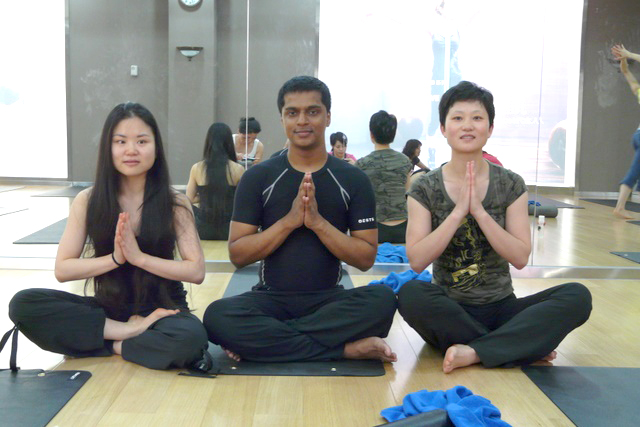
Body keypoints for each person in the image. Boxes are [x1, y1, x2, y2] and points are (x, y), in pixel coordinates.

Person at [397, 81, 592, 373]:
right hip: (450, 309)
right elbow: (416, 260)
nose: (467, 125)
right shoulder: (424, 187)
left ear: (489, 128)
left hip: (503, 308)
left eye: (477, 118)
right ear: (443, 128)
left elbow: (520, 257)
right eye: (458, 118)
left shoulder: (510, 183)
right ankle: (512, 346)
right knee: (411, 294)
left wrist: (479, 211)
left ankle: (476, 350)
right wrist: (458, 212)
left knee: (577, 296)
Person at [203, 76, 397, 363]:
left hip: (329, 299)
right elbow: (238, 255)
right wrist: (289, 222)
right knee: (217, 316)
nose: (302, 121)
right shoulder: (258, 177)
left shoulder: (353, 178)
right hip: (271, 299)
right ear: (282, 119)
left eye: (313, 111)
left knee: (384, 301)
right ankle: (342, 349)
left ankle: (272, 342)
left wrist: (318, 223)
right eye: (292, 113)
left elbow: (365, 258)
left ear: (328, 117)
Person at [8, 103, 211, 371]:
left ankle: (111, 344)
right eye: (121, 141)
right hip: (108, 313)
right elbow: (63, 269)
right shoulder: (88, 200)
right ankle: (126, 334)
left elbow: (196, 271)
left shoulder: (175, 203)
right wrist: (115, 259)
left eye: (141, 141)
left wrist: (138, 258)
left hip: (163, 311)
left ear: (156, 148)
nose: (131, 150)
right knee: (23, 304)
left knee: (191, 339)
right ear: (108, 147)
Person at [356, 111, 413, 244]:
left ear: (371, 135)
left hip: (375, 229)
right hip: (403, 228)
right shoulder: (404, 161)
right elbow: (408, 192)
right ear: (393, 134)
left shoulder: (361, 164)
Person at [187, 122, 244, 240]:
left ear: (208, 142)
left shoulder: (197, 168)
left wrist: (206, 195)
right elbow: (243, 201)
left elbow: (189, 199)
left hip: (203, 229)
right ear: (229, 143)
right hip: (229, 230)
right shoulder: (238, 169)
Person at [611, 44, 640, 219]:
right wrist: (628, 54)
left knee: (636, 171)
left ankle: (620, 206)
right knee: (634, 172)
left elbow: (626, 73)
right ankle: (620, 207)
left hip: (638, 135)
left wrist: (624, 61)